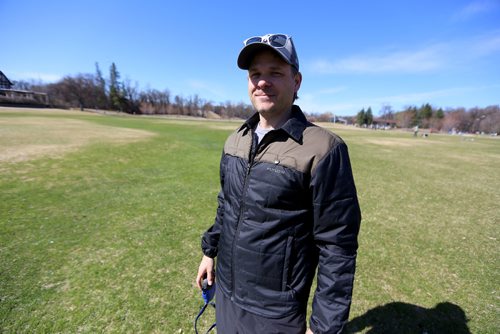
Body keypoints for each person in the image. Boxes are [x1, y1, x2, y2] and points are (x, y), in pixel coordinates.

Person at [196, 33, 362, 334]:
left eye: (275, 73)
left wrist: (323, 327)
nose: (262, 82)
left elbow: (337, 246)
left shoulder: (324, 149)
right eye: (255, 74)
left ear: (296, 81)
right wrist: (210, 251)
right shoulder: (236, 140)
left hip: (275, 313)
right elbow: (227, 204)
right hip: (228, 294)